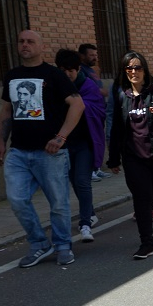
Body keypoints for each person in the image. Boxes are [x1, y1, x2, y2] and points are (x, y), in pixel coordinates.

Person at [0, 30, 84, 268]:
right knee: (17, 199)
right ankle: (39, 244)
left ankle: (63, 245)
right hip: (18, 152)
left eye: (30, 41)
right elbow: (7, 111)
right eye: (21, 41)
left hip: (50, 154)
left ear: (41, 47)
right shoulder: (12, 76)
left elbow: (77, 104)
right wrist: (2, 142)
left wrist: (61, 137)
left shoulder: (53, 75)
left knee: (58, 203)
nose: (25, 45)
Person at [106, 52, 153, 259]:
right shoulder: (121, 95)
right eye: (129, 68)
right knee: (142, 200)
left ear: (145, 70)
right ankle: (147, 243)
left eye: (138, 68)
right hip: (134, 157)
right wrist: (113, 158)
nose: (133, 72)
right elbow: (116, 129)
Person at [55, 49, 104, 243]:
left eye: (71, 71)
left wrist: (77, 104)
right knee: (74, 181)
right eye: (63, 70)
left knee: (82, 181)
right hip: (64, 145)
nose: (67, 75)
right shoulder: (54, 86)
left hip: (85, 142)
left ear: (77, 70)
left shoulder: (88, 86)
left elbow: (99, 110)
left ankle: (85, 224)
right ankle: (90, 212)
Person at [76, 43, 111, 181]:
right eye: (91, 55)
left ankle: (96, 168)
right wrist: (105, 92)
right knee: (91, 140)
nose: (95, 58)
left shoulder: (92, 70)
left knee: (98, 140)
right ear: (82, 56)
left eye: (96, 55)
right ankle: (89, 170)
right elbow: (88, 89)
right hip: (89, 112)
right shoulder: (80, 71)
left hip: (99, 110)